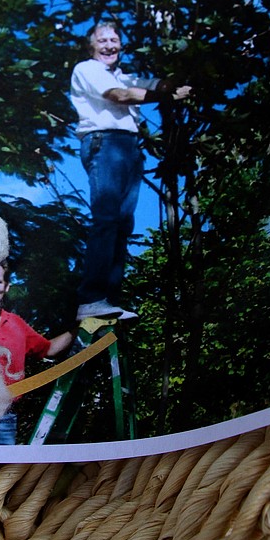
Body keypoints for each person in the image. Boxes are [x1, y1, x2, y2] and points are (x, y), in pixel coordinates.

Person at [70, 20, 190, 321]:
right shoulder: (88, 69)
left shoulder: (125, 75)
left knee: (123, 224)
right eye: (103, 40)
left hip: (129, 146)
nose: (110, 45)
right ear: (92, 46)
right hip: (105, 143)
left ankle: (109, 299)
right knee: (107, 219)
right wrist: (164, 93)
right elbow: (120, 96)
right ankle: (91, 298)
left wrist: (174, 81)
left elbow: (154, 85)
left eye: (114, 40)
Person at [0, 264, 75, 445]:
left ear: (7, 286)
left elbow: (48, 349)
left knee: (1, 474)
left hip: (6, 422)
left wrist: (80, 329)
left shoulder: (16, 323)